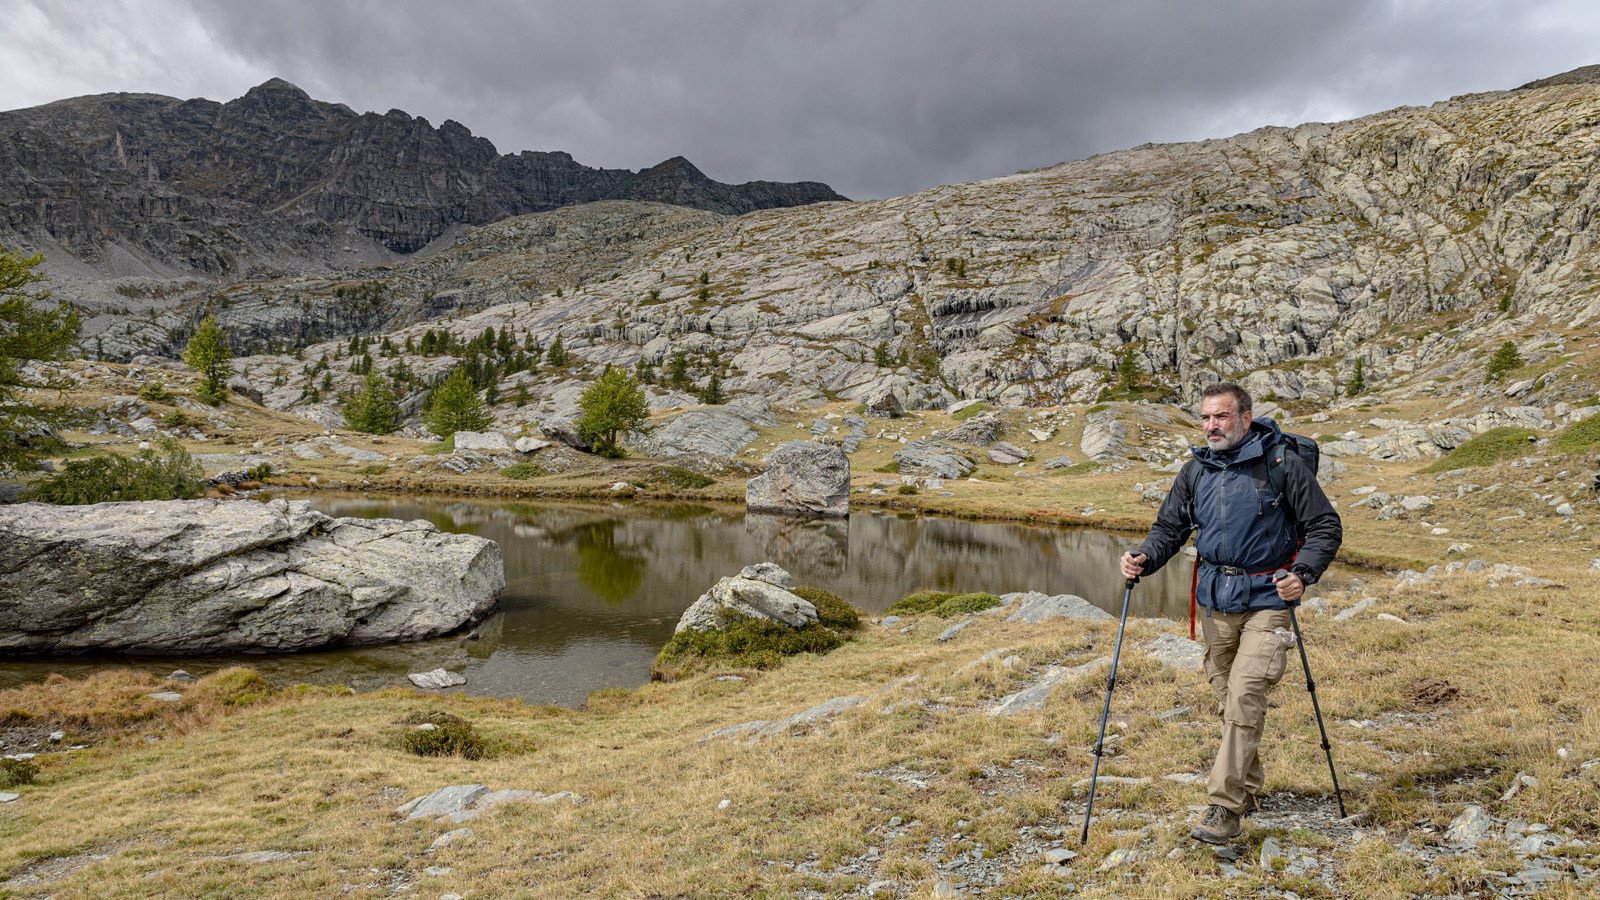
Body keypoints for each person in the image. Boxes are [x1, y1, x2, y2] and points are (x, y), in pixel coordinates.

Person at [1119, 382, 1341, 844]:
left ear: (1245, 417)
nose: (1211, 426)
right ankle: (1248, 788)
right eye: (1205, 418)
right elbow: (1169, 529)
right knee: (1227, 697)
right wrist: (1144, 557)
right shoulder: (1195, 471)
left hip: (1269, 599)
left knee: (1244, 695)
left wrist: (1303, 572)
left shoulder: (1281, 463)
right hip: (1216, 601)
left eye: (1220, 417)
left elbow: (1324, 525)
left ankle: (1224, 808)